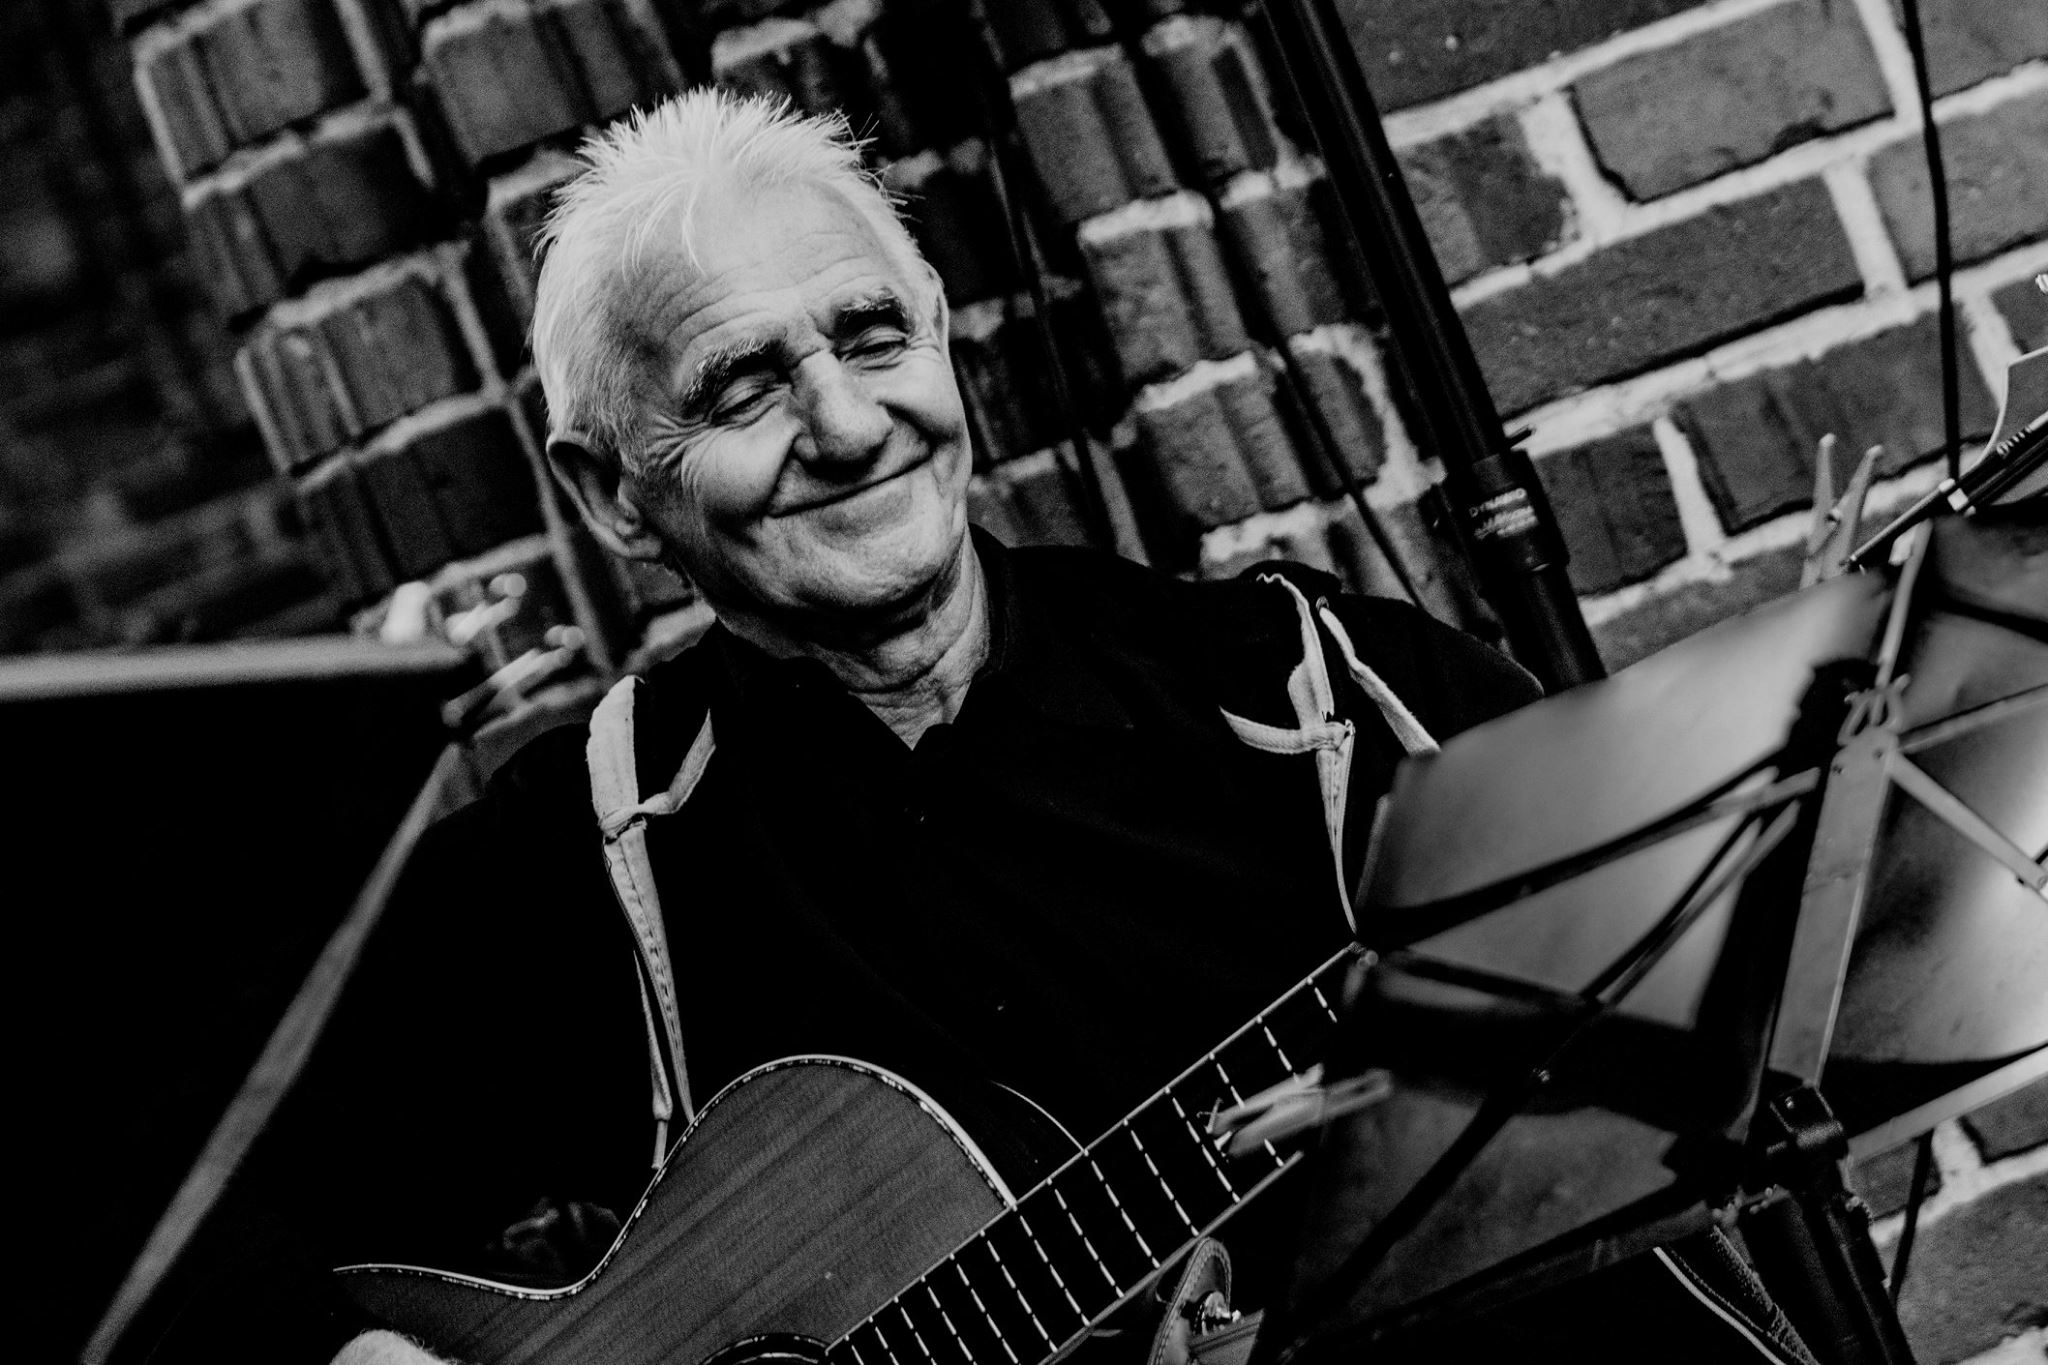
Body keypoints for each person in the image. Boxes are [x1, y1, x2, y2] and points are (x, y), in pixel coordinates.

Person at [162, 90, 1792, 1365]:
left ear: (943, 338)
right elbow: (154, 1222)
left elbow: (1746, 942)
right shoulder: (591, 855)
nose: (846, 421)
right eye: (743, 387)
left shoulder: (1312, 695)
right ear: (611, 494)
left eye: (874, 336)